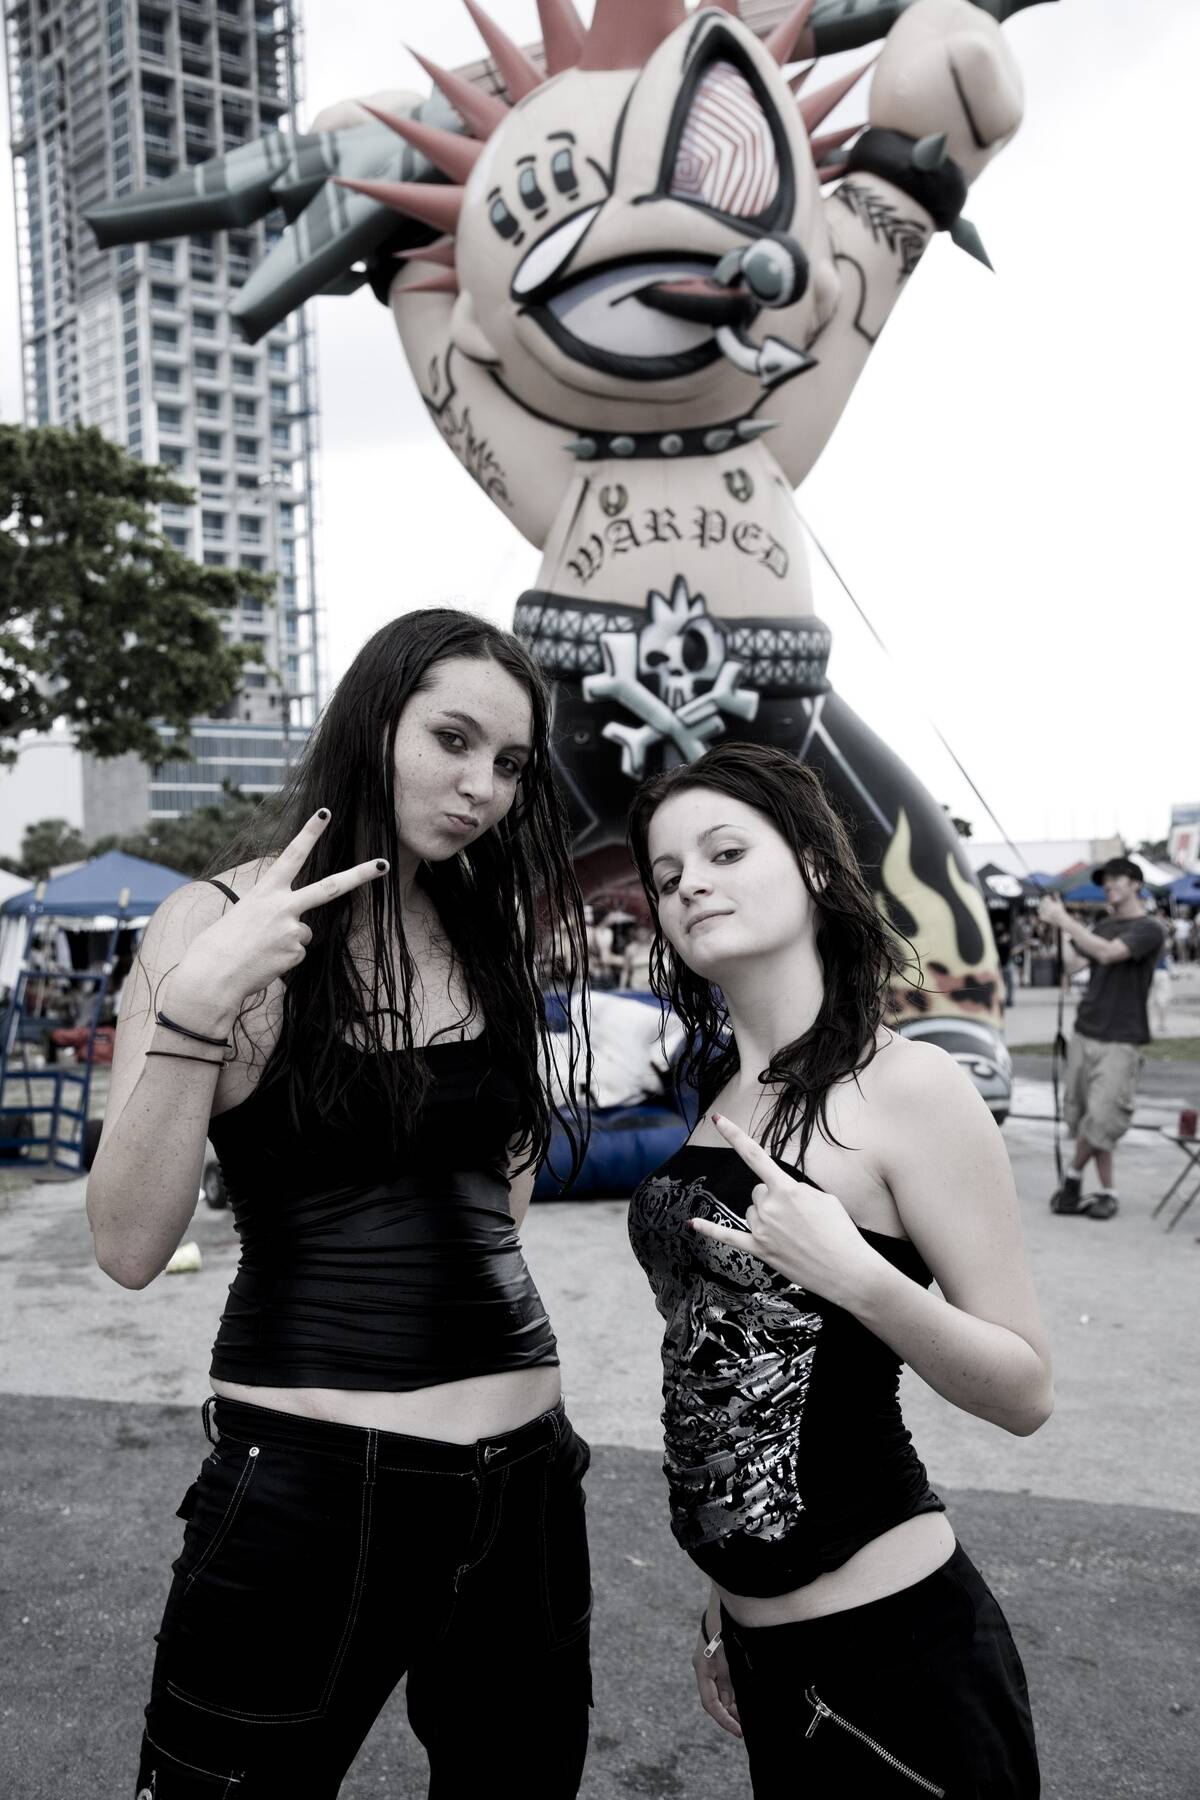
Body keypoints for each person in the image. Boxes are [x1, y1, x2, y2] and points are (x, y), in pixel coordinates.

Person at [86, 609, 593, 1798]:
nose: (480, 788)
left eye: (510, 764)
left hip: (524, 1485)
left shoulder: (482, 926)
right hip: (315, 1489)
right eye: (452, 740)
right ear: (375, 724)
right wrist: (197, 1009)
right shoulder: (213, 923)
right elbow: (124, 1246)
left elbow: (501, 1196)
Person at [625, 742, 1050, 1799]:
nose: (692, 886)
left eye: (726, 851)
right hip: (769, 1657)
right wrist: (727, 1595)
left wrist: (857, 1273)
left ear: (815, 864)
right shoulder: (726, 1094)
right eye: (668, 876)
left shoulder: (912, 1088)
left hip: (899, 1659)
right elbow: (722, 1357)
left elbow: (1027, 1389)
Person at [1040, 858, 1168, 1221]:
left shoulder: (1150, 928)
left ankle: (1073, 1176)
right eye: (1106, 880)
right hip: (1085, 1030)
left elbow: (1109, 954)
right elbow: (1072, 965)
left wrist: (1066, 921)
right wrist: (1060, 925)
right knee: (1082, 1117)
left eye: (1116, 878)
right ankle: (1106, 1191)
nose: (1108, 884)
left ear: (1136, 884)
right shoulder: (1104, 925)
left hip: (1121, 1037)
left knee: (1103, 1116)